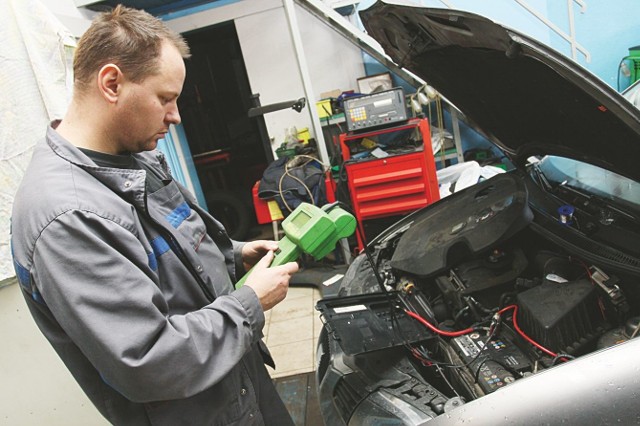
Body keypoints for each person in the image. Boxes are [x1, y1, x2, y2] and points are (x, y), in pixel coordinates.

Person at [10, 5, 299, 425]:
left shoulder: (131, 159)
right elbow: (149, 361)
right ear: (112, 83)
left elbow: (169, 245)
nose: (176, 116)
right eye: (165, 98)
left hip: (239, 389)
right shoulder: (66, 216)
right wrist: (249, 302)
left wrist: (234, 255)